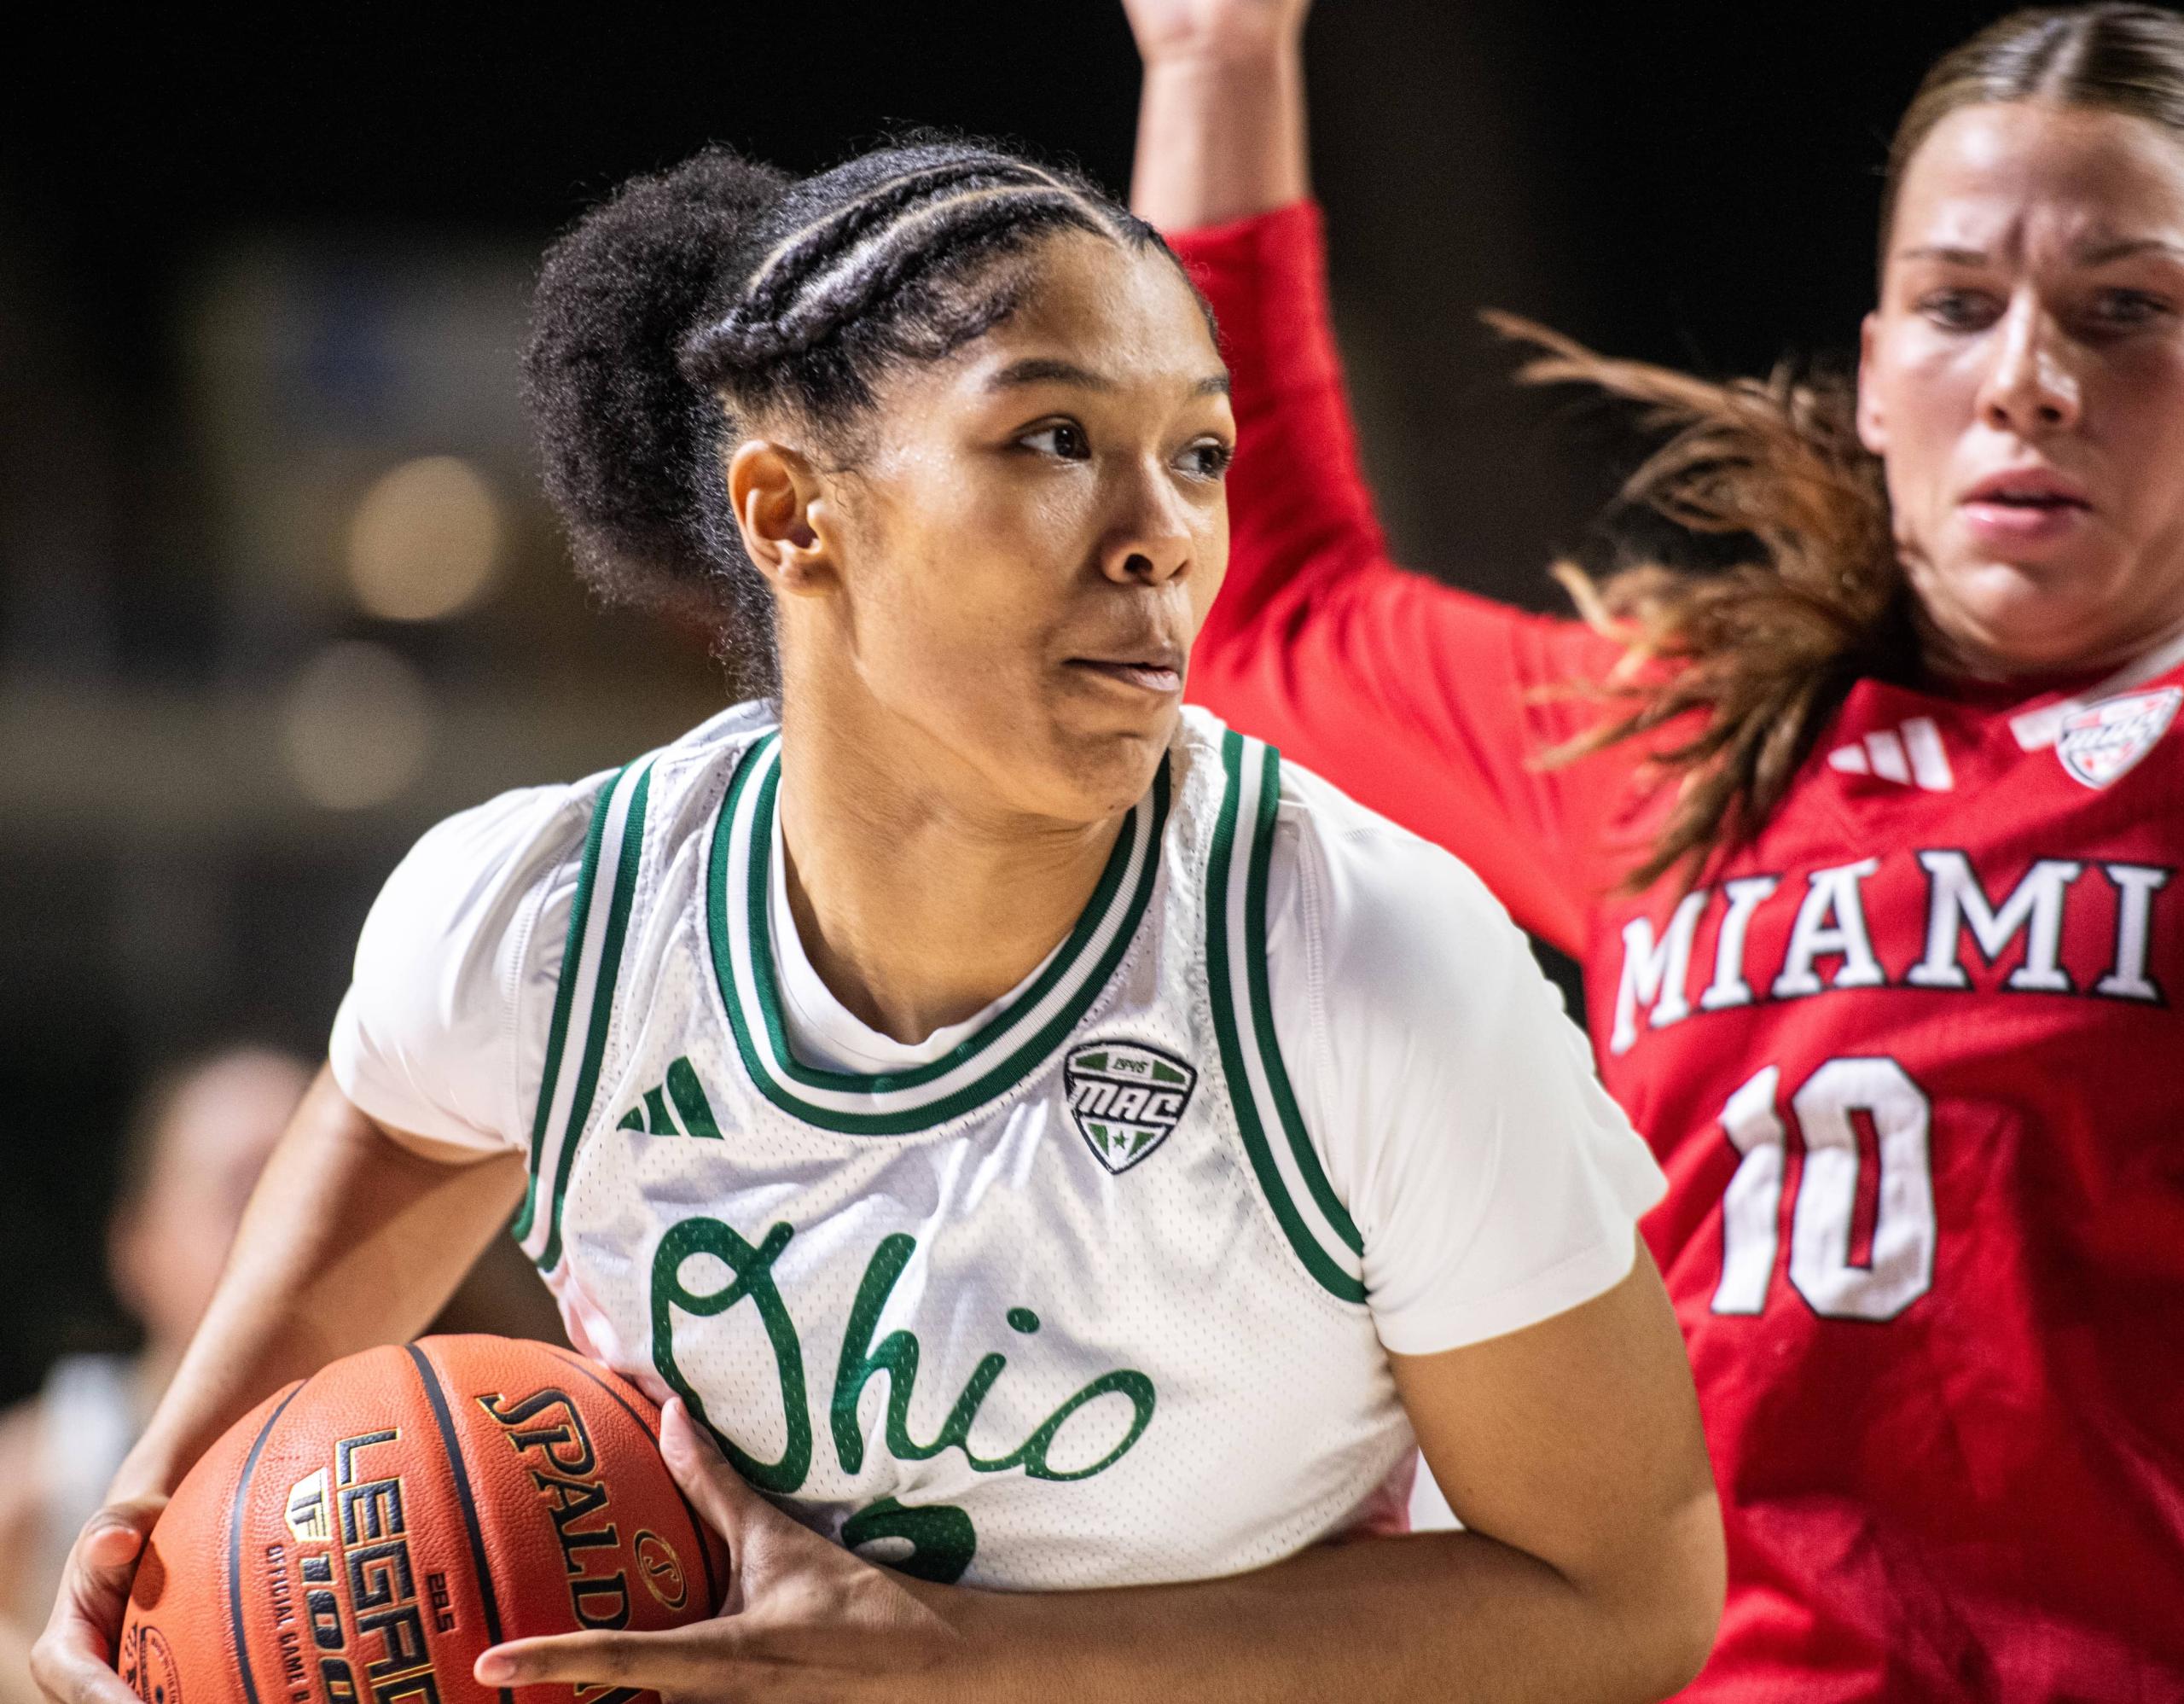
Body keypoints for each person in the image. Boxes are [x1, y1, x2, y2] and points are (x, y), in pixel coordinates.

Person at [36, 138, 1723, 1704]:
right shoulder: (547, 925)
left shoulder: (1364, 961)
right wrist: (146, 1565)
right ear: (788, 512)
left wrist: (978, 1657)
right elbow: (251, 1402)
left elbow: (1622, 1590)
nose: (1162, 535)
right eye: (1053, 437)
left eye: (1197, 452)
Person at [1124, 1, 2184, 1696]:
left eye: (2124, 308)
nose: (2023, 376)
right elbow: (1255, 602)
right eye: (1954, 305)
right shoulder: (1690, 735)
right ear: (1871, 374)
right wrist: (1217, 60)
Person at [0, 1050, 311, 1704]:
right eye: (246, 1191)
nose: (291, 1230)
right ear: (137, 1246)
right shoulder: (47, 1467)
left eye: (308, 1187)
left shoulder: (413, 1434)